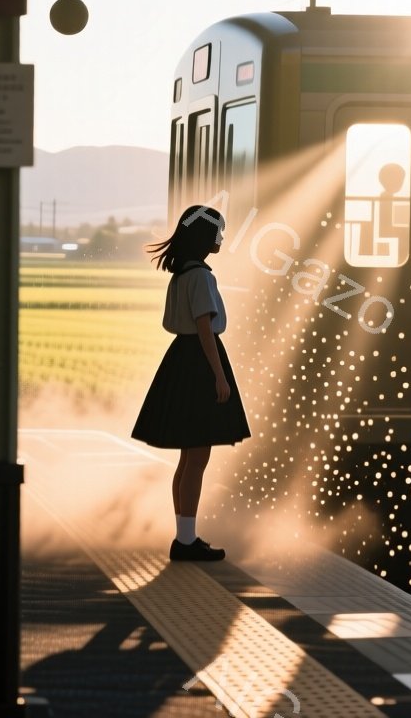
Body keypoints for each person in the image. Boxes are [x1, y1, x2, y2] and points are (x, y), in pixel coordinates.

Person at [132, 205, 251, 562]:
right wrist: (219, 375)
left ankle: (184, 536)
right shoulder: (200, 276)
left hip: (181, 360)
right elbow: (204, 326)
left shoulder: (182, 273)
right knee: (198, 456)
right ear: (204, 236)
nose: (222, 237)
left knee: (188, 457)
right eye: (218, 231)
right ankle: (185, 542)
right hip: (199, 363)